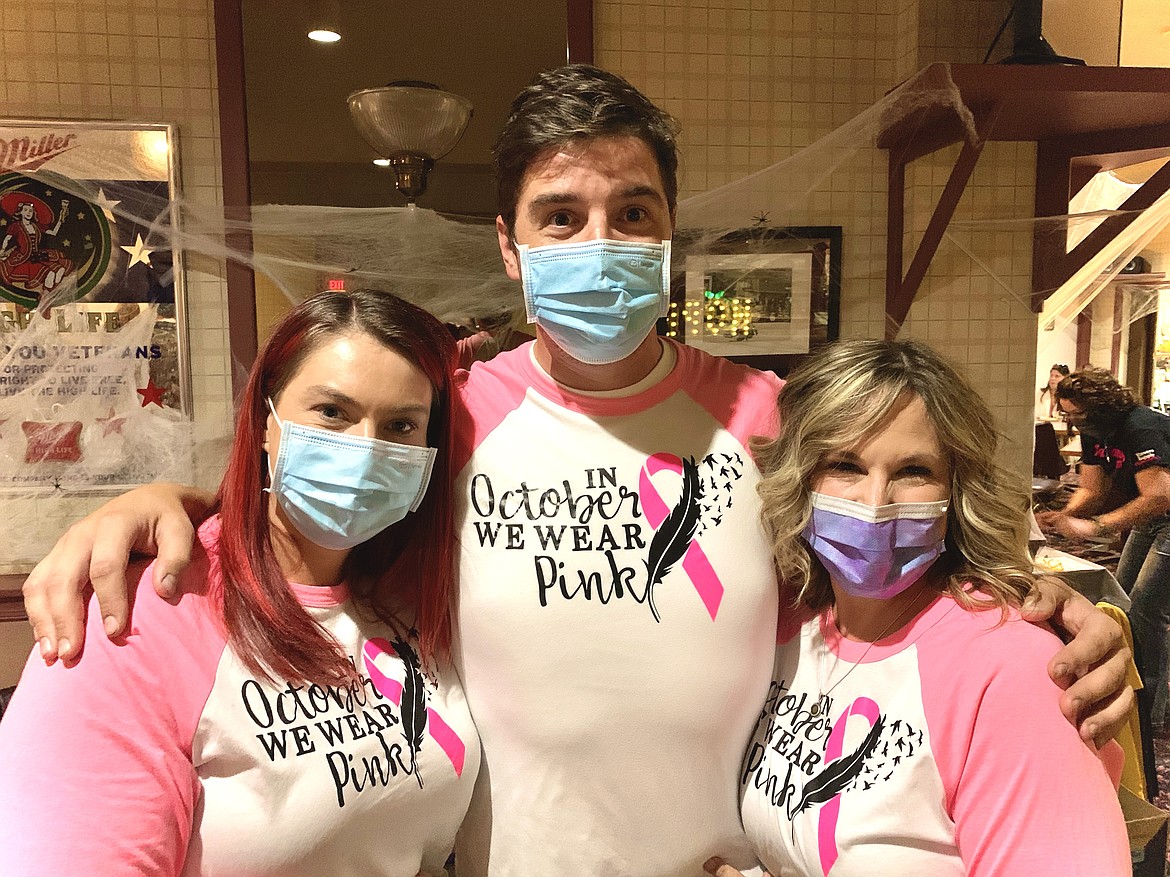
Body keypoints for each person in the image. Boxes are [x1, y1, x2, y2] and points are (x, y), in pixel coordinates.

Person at [21, 66, 1132, 875]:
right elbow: (322, 508)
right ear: (509, 246)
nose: (597, 243)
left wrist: (1044, 610)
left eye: (630, 213)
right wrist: (161, 503)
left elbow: (883, 580)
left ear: (667, 235)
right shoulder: (448, 414)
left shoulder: (769, 422)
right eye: (561, 218)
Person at [0, 289, 479, 875]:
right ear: (263, 423)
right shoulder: (139, 618)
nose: (365, 450)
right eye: (332, 412)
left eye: (401, 425)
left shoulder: (408, 591)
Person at [708, 340, 1128, 877]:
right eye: (844, 464)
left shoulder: (1015, 671)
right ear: (800, 477)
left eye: (913, 471)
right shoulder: (790, 626)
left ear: (956, 489)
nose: (875, 502)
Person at [1039, 365, 1170, 730]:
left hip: (1166, 513)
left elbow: (1159, 495)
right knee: (1120, 600)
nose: (1072, 421)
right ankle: (1129, 681)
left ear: (1100, 406)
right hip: (1152, 518)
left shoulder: (1139, 427)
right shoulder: (1094, 434)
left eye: (1076, 414)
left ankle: (1150, 710)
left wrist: (1095, 525)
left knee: (1147, 610)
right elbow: (1093, 488)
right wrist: (1063, 515)